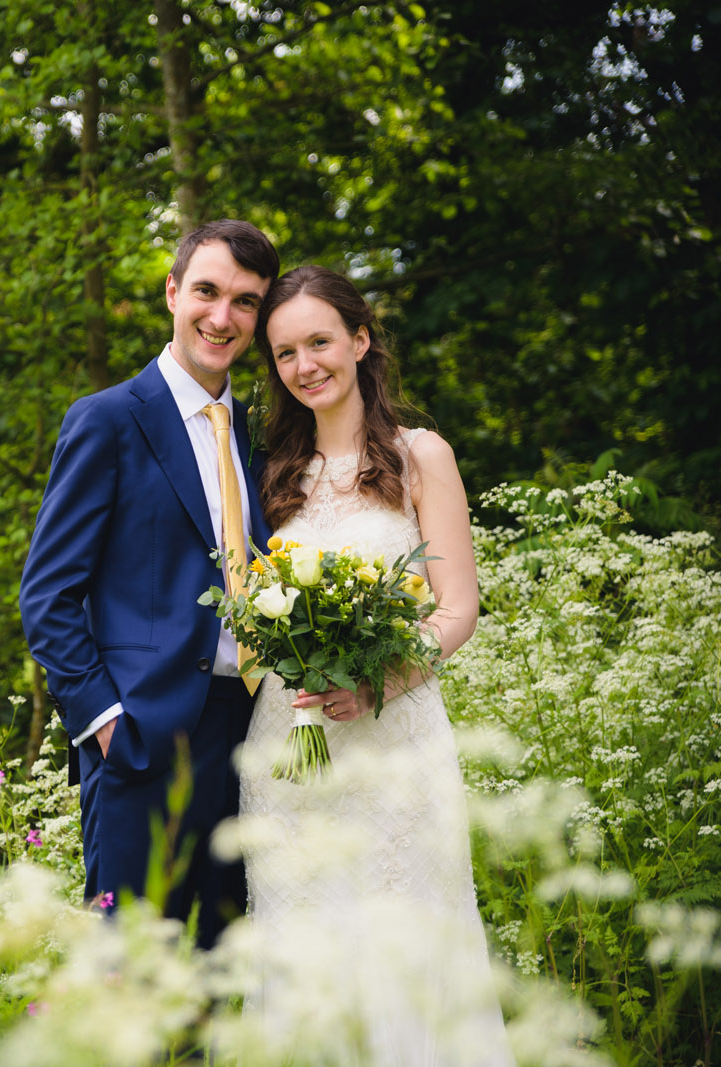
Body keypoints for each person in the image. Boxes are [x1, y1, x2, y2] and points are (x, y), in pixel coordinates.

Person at [235, 264, 513, 1062]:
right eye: (285, 353)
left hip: (396, 746)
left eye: (319, 341)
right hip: (289, 751)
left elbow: (457, 606)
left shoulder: (421, 456)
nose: (304, 365)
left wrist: (379, 678)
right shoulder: (270, 476)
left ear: (360, 340)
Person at [20, 219, 277, 948]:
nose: (221, 317)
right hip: (139, 741)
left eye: (245, 302)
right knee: (133, 979)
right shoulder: (107, 420)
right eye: (206, 291)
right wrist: (104, 721)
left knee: (213, 972)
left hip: (250, 738)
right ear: (172, 291)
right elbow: (48, 594)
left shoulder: (262, 437)